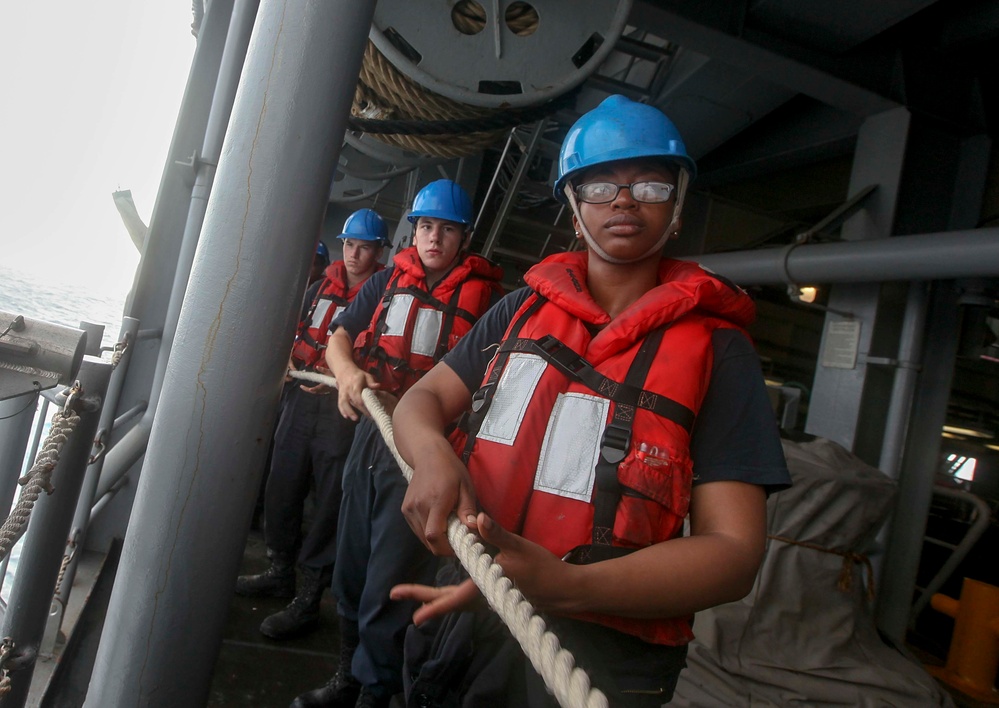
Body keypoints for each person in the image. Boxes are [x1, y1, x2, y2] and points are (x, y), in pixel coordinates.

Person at [390, 94, 792, 707]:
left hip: (606, 653)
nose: (625, 200)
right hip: (468, 598)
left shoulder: (720, 352)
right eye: (601, 185)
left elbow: (735, 552)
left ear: (677, 207)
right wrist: (433, 455)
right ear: (575, 212)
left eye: (650, 186)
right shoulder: (520, 309)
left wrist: (570, 587)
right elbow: (422, 399)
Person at [290, 180, 504, 708]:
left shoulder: (490, 304)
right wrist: (345, 375)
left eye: (447, 229)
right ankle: (347, 676)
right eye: (426, 227)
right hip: (372, 431)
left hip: (422, 456)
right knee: (353, 562)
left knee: (388, 576)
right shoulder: (386, 281)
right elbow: (341, 336)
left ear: (464, 239)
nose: (434, 238)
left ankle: (373, 691)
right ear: (414, 231)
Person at [236, 209, 387, 640]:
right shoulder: (322, 286)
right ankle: (279, 569)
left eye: (365, 247)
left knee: (329, 506)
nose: (355, 255)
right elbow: (292, 329)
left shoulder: (381, 296)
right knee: (281, 486)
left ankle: (308, 596)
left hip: (341, 414)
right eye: (349, 245)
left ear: (380, 252)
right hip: (298, 403)